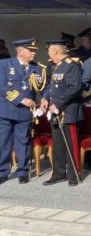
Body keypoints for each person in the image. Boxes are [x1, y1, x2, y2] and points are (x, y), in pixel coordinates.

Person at [0, 39, 46, 184]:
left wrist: (44, 99)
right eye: (30, 50)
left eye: (34, 51)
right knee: (3, 143)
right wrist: (21, 99)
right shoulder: (4, 64)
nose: (34, 53)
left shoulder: (37, 68)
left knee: (23, 142)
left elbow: (45, 87)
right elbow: (2, 87)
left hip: (25, 113)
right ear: (19, 52)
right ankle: (2, 171)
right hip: (6, 110)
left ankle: (23, 171)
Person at [40, 39, 83, 186]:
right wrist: (46, 99)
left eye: (49, 51)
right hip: (55, 112)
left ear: (56, 52)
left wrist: (57, 103)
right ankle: (58, 174)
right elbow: (52, 87)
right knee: (58, 144)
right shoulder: (56, 66)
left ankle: (73, 175)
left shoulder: (71, 66)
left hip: (68, 112)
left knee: (71, 144)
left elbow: (75, 87)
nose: (48, 54)